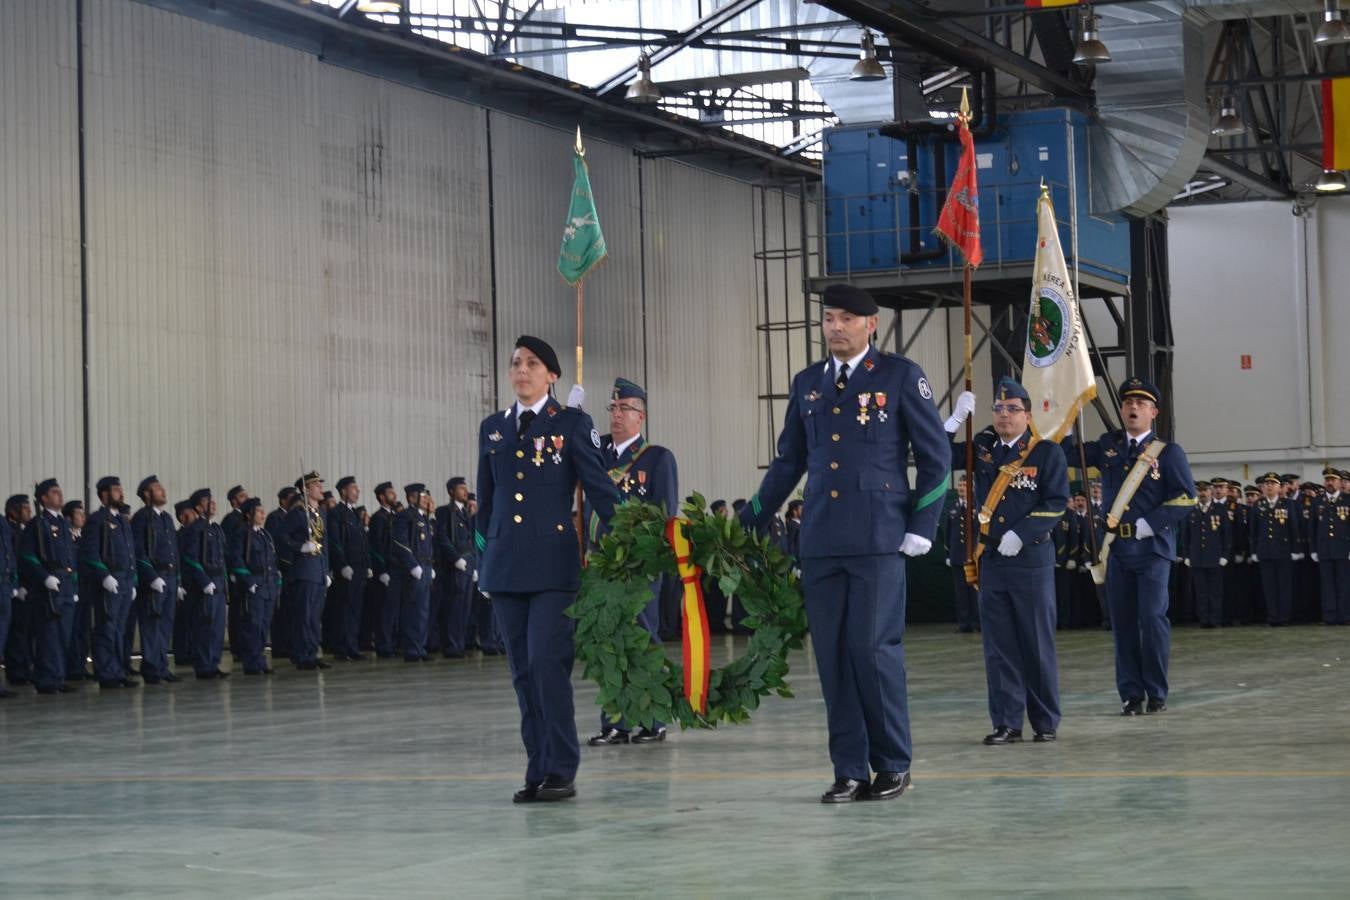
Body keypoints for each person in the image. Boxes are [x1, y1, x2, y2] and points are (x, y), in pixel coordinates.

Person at [738, 284, 949, 803]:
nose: (835, 326)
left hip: (878, 538)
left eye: (846, 319)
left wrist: (922, 525)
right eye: (829, 318)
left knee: (872, 652)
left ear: (870, 325)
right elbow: (789, 462)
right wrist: (747, 521)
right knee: (832, 658)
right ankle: (849, 770)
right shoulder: (808, 383)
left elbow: (936, 457)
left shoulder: (900, 376)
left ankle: (893, 764)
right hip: (821, 540)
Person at [475, 334, 620, 804]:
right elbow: (485, 504)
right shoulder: (493, 428)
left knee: (546, 665)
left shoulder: (572, 424)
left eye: (533, 363)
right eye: (516, 362)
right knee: (522, 673)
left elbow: (600, 490)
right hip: (505, 567)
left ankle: (561, 768)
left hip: (553, 568)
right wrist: (483, 560)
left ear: (552, 376)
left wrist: (629, 537)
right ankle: (537, 768)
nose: (522, 370)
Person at [1060, 377, 1196, 716]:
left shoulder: (1168, 453)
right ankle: (1131, 695)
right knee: (1122, 624)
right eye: (1127, 403)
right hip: (1117, 551)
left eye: (1140, 403)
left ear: (1153, 412)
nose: (1133, 407)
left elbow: (1186, 497)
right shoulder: (1108, 446)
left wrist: (1151, 522)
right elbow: (1067, 454)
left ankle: (1157, 692)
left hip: (1152, 551)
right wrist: (1066, 417)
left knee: (1152, 619)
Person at [946, 379, 1068, 744]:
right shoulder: (982, 448)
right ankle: (1007, 722)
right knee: (999, 647)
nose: (1004, 415)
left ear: (1027, 416)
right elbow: (935, 455)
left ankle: (1045, 721)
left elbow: (1056, 502)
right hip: (992, 560)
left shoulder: (1045, 453)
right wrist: (953, 421)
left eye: (1012, 409)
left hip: (1030, 560)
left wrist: (1023, 533)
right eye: (998, 409)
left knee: (1036, 643)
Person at [587, 377, 679, 747]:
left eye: (624, 408)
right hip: (601, 564)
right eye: (613, 408)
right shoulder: (596, 456)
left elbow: (664, 512)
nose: (616, 415)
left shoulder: (656, 458)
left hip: (639, 565)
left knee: (641, 639)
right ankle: (615, 723)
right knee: (607, 641)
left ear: (640, 416)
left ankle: (653, 719)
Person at [18, 479, 79, 694]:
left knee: (63, 634)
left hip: (66, 585)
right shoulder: (38, 524)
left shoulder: (63, 523)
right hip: (48, 586)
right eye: (54, 492)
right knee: (49, 635)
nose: (59, 495)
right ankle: (46, 679)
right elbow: (27, 556)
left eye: (60, 491)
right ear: (43, 498)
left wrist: (74, 587)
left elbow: (71, 558)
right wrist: (44, 577)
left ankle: (58, 677)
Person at [81, 477, 140, 689]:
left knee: (119, 629)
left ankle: (118, 670)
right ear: (104, 494)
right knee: (106, 627)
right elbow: (89, 552)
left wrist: (133, 580)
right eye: (116, 490)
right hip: (110, 580)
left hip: (125, 581)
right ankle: (106, 672)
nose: (121, 493)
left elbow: (130, 554)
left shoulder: (122, 521)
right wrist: (104, 575)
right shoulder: (97, 520)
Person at [280, 472, 332, 670]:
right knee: (304, 615)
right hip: (304, 570)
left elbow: (324, 544)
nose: (320, 488)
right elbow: (282, 537)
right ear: (306, 489)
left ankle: (312, 652)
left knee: (314, 617)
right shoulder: (298, 513)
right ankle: (302, 655)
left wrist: (326, 570)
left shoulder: (321, 512)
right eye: (316, 485)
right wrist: (300, 546)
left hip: (318, 570)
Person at [131, 475, 180, 684]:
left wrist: (178, 579)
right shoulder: (142, 517)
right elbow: (138, 550)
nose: (163, 491)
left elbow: (173, 550)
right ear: (147, 494)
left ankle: (161, 666)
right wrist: (151, 577)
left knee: (165, 625)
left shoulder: (166, 518)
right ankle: (151, 668)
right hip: (155, 577)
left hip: (170, 577)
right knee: (152, 624)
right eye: (158, 489)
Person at [180, 488, 229, 679]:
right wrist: (204, 581)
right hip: (206, 584)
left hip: (218, 583)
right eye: (208, 501)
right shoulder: (195, 529)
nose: (213, 504)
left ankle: (213, 663)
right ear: (199, 507)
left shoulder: (215, 528)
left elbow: (222, 558)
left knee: (217, 627)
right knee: (205, 626)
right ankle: (203, 665)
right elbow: (190, 558)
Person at [228, 498, 279, 675]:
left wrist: (276, 582)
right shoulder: (242, 534)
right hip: (255, 586)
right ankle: (251, 662)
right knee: (253, 625)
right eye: (259, 511)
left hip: (268, 586)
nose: (263, 514)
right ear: (249, 515)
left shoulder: (265, 535)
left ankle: (259, 660)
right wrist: (249, 582)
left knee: (264, 625)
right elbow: (237, 560)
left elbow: (272, 561)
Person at [327, 476, 370, 661]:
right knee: (344, 609)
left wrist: (367, 565)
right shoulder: (336, 513)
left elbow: (363, 542)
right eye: (353, 488)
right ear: (343, 491)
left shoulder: (354, 514)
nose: (357, 491)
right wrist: (342, 564)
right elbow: (335, 541)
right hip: (347, 569)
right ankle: (342, 647)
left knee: (355, 609)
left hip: (359, 568)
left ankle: (352, 646)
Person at [392, 483, 435, 662]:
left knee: (423, 610)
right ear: (411, 498)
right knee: (413, 610)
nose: (426, 500)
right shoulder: (405, 516)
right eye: (422, 496)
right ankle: (411, 649)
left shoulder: (422, 517)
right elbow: (400, 542)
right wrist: (412, 565)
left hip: (425, 566)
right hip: (415, 567)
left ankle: (420, 647)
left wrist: (430, 566)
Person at [1249, 472, 1299, 626]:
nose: (1269, 486)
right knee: (1269, 587)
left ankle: (1283, 618)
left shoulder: (1288, 504)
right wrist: (1254, 551)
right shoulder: (1258, 505)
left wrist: (1295, 549)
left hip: (1283, 551)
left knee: (1284, 587)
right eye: (1267, 484)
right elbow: (1253, 531)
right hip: (1265, 551)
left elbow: (1294, 528)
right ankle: (1272, 617)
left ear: (1279, 487)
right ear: (1263, 488)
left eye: (1273, 483)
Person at [434, 477, 476, 659]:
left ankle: (459, 644)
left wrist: (474, 564)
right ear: (451, 491)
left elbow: (471, 539)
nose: (465, 491)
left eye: (466, 488)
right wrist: (455, 558)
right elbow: (442, 538)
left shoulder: (465, 513)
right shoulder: (445, 511)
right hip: (455, 565)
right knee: (453, 608)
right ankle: (451, 646)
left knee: (464, 608)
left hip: (468, 564)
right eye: (461, 488)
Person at [1180, 481, 1230, 628]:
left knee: (1215, 591)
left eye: (1205, 490)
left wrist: (1225, 555)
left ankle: (1215, 619)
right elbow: (1185, 535)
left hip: (1215, 557)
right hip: (1197, 557)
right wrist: (1186, 555)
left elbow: (1226, 534)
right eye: (1200, 490)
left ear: (1210, 492)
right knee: (1201, 591)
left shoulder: (1220, 509)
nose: (1202, 493)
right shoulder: (1191, 510)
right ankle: (1204, 619)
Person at [1312, 468, 1350, 626]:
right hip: (1324, 548)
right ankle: (1329, 616)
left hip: (1343, 548)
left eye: (1333, 480)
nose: (1330, 482)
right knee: (1327, 585)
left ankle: (1344, 616)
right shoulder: (1318, 501)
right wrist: (1313, 549)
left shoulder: (1347, 500)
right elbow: (1312, 527)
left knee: (1344, 584)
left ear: (1339, 482)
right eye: (1327, 480)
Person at [4, 495, 34, 689]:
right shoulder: (10, 531)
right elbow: (14, 560)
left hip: (28, 588)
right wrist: (17, 586)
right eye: (24, 508)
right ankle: (16, 671)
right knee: (16, 632)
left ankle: (25, 667)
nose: (29, 511)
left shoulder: (25, 531)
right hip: (15, 588)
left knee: (27, 631)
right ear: (13, 512)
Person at [944, 475, 979, 634]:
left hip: (973, 557)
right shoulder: (953, 507)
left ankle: (978, 623)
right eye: (960, 485)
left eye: (965, 485)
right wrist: (948, 554)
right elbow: (947, 533)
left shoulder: (978, 506)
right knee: (961, 592)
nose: (962, 488)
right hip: (957, 557)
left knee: (975, 591)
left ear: (972, 488)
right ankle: (964, 624)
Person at [62, 500, 91, 682]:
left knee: (83, 629)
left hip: (85, 589)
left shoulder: (83, 539)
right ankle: (71, 667)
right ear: (69, 517)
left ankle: (80, 664)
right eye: (79, 514)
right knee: (71, 630)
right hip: (70, 589)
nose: (82, 517)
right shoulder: (66, 537)